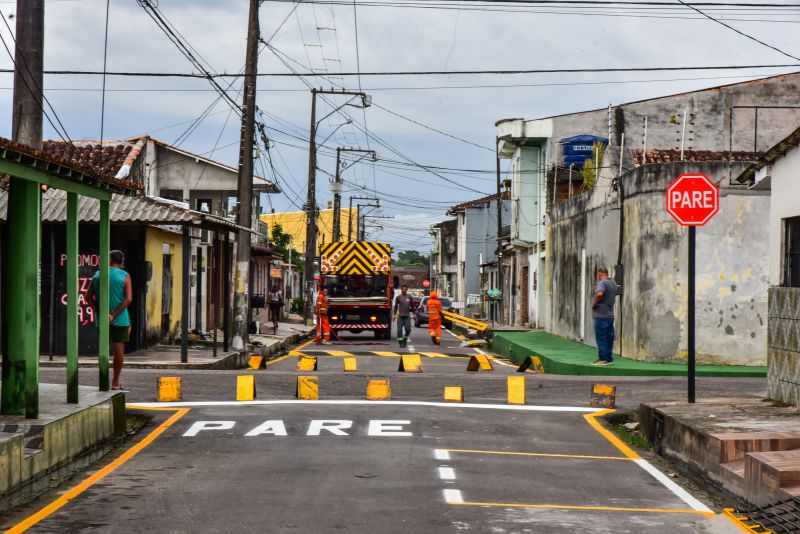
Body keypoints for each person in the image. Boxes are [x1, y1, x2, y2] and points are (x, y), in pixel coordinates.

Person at [86, 249, 132, 390]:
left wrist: (102, 313)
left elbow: (88, 297)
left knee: (103, 349)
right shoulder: (125, 276)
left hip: (102, 319)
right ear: (121, 261)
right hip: (121, 318)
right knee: (119, 349)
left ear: (110, 260)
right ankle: (115, 382)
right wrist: (114, 315)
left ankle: (103, 381)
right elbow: (128, 299)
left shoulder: (98, 275)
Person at [591, 267, 618, 366]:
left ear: (602, 273)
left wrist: (595, 304)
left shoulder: (603, 282)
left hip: (601, 315)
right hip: (610, 315)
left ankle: (603, 359)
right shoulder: (613, 283)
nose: (598, 277)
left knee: (601, 337)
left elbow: (599, 294)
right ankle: (609, 358)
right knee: (609, 338)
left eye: (599, 274)